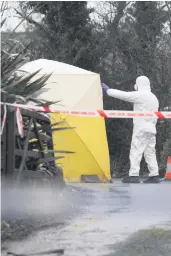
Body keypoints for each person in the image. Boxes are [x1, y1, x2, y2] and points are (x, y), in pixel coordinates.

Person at [102, 76, 161, 183]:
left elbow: (125, 95)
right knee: (150, 152)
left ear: (139, 84)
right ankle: (154, 175)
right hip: (152, 128)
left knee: (136, 151)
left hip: (141, 128)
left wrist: (108, 91)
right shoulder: (153, 97)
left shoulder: (140, 95)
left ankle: (134, 175)